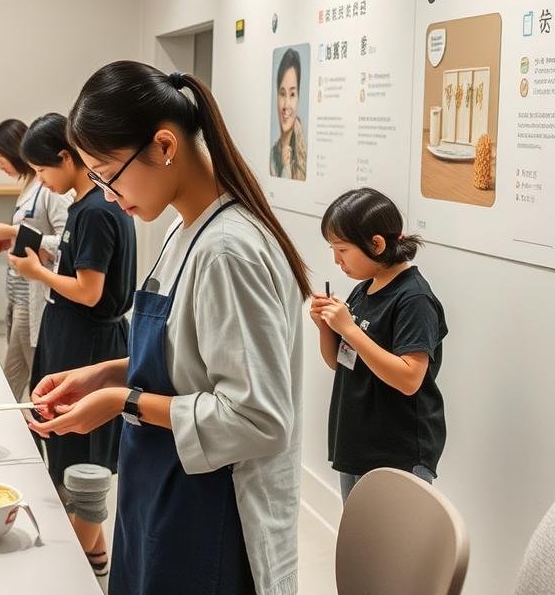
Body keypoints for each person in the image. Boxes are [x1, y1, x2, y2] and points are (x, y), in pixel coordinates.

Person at [33, 61, 308, 595]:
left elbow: (258, 419)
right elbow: (182, 359)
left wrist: (122, 402)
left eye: (109, 174)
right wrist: (102, 376)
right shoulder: (186, 231)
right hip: (162, 492)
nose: (108, 194)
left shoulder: (228, 250)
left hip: (213, 516)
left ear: (163, 146)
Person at [6, 113, 135, 582]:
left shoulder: (98, 210)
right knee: (66, 448)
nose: (43, 182)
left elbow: (91, 291)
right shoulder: (86, 206)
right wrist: (46, 259)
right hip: (72, 334)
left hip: (89, 341)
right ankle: (94, 561)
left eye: (43, 172)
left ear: (66, 157)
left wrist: (37, 273)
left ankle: (72, 574)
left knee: (83, 460)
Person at [312, 187, 446, 502]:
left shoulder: (414, 299)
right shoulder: (363, 291)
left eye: (342, 249)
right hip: (358, 443)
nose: (336, 260)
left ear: (376, 244)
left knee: (392, 548)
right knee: (362, 543)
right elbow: (339, 362)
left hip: (396, 451)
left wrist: (349, 328)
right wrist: (326, 328)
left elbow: (410, 378)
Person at [0, 118, 70, 400]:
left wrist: (15, 232)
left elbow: (66, 241)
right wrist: (13, 239)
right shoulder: (32, 185)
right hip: (19, 294)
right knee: (17, 376)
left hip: (35, 298)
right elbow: (36, 234)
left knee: (31, 378)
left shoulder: (50, 190)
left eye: (0, 158)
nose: (0, 166)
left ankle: (31, 433)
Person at [270, 47, 307, 180]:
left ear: (298, 97)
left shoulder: (303, 156)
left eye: (292, 94)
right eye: (282, 93)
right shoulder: (272, 155)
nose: (286, 105)